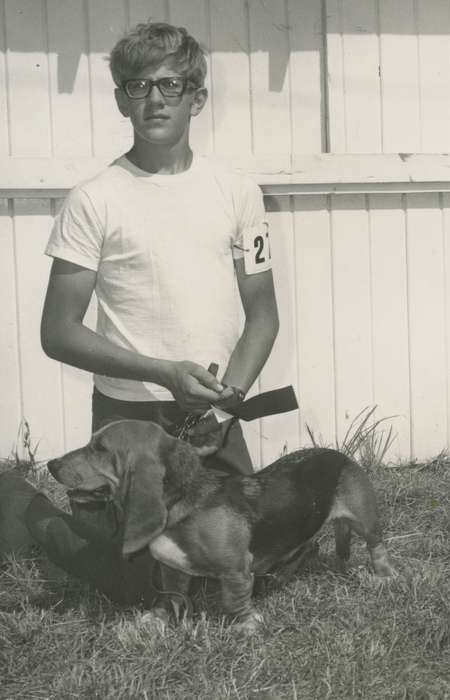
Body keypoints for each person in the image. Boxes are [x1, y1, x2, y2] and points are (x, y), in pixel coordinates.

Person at [0, 22, 279, 607]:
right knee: (132, 588)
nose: (154, 99)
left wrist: (231, 396)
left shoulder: (237, 192)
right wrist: (162, 371)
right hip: (130, 417)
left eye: (171, 85)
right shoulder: (95, 198)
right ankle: (18, 503)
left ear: (197, 98)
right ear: (121, 98)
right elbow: (58, 332)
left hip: (210, 415)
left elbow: (262, 316)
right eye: (137, 85)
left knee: (246, 564)